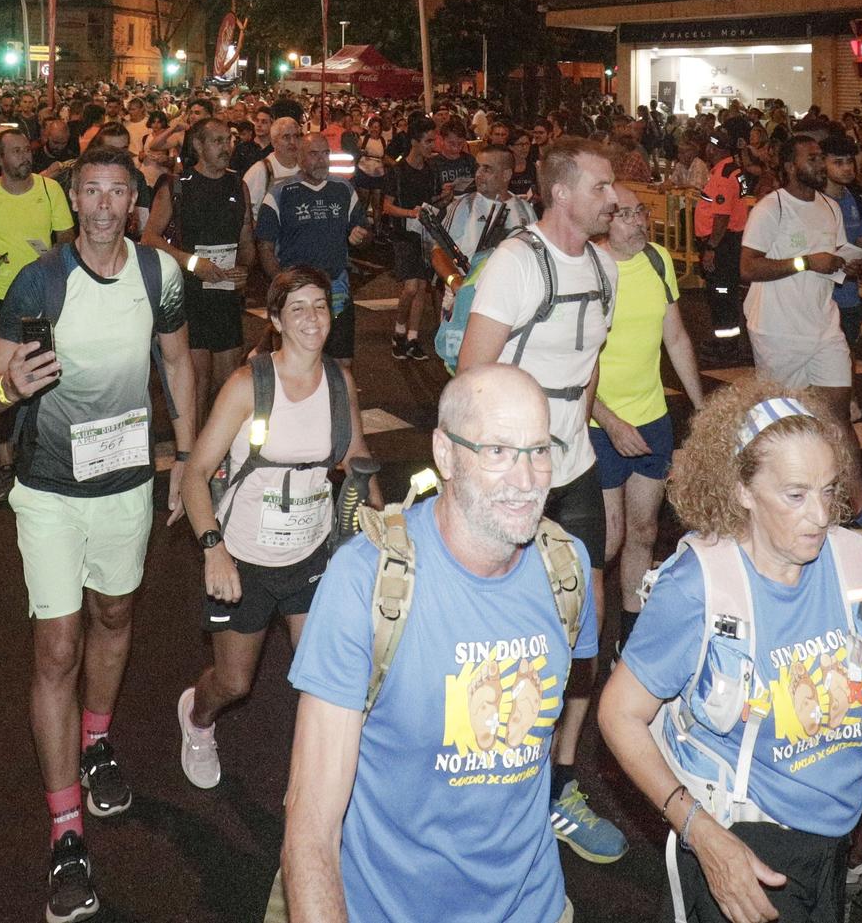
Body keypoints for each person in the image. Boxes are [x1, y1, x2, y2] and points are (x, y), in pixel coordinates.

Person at [600, 381, 862, 923]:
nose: (820, 515)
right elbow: (618, 713)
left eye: (828, 489)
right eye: (795, 494)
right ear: (742, 490)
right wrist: (700, 831)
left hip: (834, 834)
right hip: (747, 839)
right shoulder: (700, 585)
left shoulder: (850, 564)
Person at [0, 146, 196, 923]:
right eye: (90, 191)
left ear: (134, 200)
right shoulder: (42, 279)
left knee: (115, 616)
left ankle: (97, 741)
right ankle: (65, 829)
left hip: (127, 483)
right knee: (56, 644)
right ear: (74, 200)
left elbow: (177, 362)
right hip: (50, 490)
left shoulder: (160, 275)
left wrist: (190, 459)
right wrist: (8, 386)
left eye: (117, 191)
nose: (103, 205)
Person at [280, 365, 597, 922]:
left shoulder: (567, 570)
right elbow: (311, 831)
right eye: (497, 451)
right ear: (446, 455)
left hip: (533, 906)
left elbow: (534, 744)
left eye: (539, 450)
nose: (527, 480)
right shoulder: (365, 582)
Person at [458, 136, 627, 863]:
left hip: (574, 466)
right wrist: (488, 465)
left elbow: (585, 369)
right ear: (561, 192)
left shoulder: (604, 267)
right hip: (510, 469)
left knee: (585, 622)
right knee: (497, 618)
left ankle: (559, 779)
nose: (613, 197)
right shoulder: (516, 264)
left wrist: (583, 429)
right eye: (600, 186)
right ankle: (487, 770)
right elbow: (470, 372)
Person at [176, 266, 370, 789]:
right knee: (233, 682)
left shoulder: (339, 382)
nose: (312, 318)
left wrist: (385, 525)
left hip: (312, 556)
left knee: (323, 679)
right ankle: (197, 718)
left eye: (320, 306)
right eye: (298, 308)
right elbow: (195, 472)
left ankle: (315, 788)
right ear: (277, 320)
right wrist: (212, 550)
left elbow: (355, 457)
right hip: (244, 561)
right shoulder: (248, 384)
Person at [589, 185, 705, 652]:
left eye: (641, 213)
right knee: (609, 540)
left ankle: (630, 641)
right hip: (598, 425)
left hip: (651, 417)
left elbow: (674, 338)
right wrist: (612, 423)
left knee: (644, 531)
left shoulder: (657, 261)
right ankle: (580, 646)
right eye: (625, 215)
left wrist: (700, 405)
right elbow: (574, 363)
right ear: (603, 220)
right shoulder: (589, 270)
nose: (638, 222)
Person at [0, 125, 76, 501]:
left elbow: (68, 242)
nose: (24, 157)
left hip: (43, 298)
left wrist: (53, 259)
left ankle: (44, 454)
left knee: (45, 377)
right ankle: (5, 463)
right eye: (15, 151)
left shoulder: (50, 190)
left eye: (27, 150)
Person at [740, 134, 862, 437]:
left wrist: (848, 267)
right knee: (780, 423)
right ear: (790, 166)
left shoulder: (830, 207)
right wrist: (805, 262)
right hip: (777, 331)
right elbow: (748, 267)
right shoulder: (772, 208)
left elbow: (830, 264)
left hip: (823, 327)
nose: (821, 164)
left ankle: (849, 485)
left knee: (838, 421)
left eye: (821, 157)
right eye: (812, 158)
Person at [143, 115, 254, 415]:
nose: (225, 147)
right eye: (217, 141)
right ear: (198, 145)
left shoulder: (238, 185)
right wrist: (192, 262)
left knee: (229, 383)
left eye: (228, 140)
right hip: (190, 295)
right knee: (197, 384)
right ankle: (193, 455)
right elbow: (149, 237)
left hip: (226, 296)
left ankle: (221, 452)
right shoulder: (176, 185)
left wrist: (245, 268)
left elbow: (246, 240)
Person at [255, 138, 373, 365]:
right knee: (298, 364)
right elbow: (265, 246)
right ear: (299, 157)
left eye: (325, 153)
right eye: (313, 154)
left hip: (337, 291)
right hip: (298, 294)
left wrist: (363, 236)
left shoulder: (344, 189)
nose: (321, 160)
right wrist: (282, 285)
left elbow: (366, 233)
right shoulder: (280, 193)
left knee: (342, 364)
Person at [382, 128, 442, 361]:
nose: (432, 146)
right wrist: (410, 213)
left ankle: (412, 338)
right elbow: (387, 207)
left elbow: (431, 200)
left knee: (421, 288)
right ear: (414, 142)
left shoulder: (431, 171)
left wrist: (443, 197)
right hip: (403, 234)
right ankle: (399, 331)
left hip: (424, 235)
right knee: (410, 287)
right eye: (427, 141)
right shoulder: (397, 172)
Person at [695, 136, 756, 348]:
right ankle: (727, 339)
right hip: (728, 240)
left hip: (722, 242)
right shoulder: (734, 170)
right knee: (725, 291)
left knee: (721, 292)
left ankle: (727, 344)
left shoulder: (723, 175)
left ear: (713, 149)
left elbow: (722, 216)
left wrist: (712, 247)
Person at [820, 137, 862, 352]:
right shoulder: (811, 202)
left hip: (848, 301)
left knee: (847, 361)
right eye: (838, 162)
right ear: (821, 164)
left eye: (849, 161)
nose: (846, 168)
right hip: (818, 301)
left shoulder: (857, 201)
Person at [244, 113, 303, 205]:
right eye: (286, 137)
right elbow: (246, 208)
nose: (292, 142)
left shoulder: (306, 167)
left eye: (296, 136)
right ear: (274, 142)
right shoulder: (260, 171)